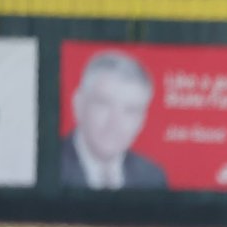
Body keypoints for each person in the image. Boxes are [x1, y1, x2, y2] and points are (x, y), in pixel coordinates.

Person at [61, 50, 168, 190]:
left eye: (130, 110)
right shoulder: (48, 166)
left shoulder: (152, 177)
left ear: (142, 120)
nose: (115, 123)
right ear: (79, 105)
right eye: (103, 103)